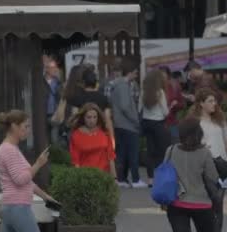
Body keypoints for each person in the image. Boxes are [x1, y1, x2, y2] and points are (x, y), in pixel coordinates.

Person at [166, 117, 220, 232]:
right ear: (199, 133)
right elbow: (212, 177)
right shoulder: (204, 153)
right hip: (202, 204)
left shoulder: (171, 150)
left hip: (176, 203)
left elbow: (165, 173)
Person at [191, 87, 227, 232]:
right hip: (203, 167)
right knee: (204, 206)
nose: (214, 104)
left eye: (215, 101)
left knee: (218, 205)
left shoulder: (220, 120)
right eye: (210, 101)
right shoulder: (195, 122)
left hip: (221, 166)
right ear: (201, 103)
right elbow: (190, 144)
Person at [109, 58, 147, 189]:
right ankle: (135, 179)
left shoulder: (116, 85)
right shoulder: (123, 86)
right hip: (128, 125)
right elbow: (125, 107)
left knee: (122, 154)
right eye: (135, 72)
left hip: (119, 124)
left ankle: (122, 179)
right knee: (132, 153)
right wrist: (135, 120)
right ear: (130, 72)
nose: (136, 74)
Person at [69, 68, 114, 147]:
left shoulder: (77, 98)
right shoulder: (103, 98)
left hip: (82, 136)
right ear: (96, 83)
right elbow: (108, 120)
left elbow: (74, 119)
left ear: (83, 83)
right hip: (99, 135)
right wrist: (112, 139)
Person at [140, 70, 170, 187]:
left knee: (150, 151)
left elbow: (139, 109)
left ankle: (150, 179)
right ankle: (160, 177)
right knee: (161, 152)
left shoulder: (144, 92)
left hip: (146, 123)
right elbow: (165, 112)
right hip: (158, 123)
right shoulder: (160, 92)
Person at [68, 103, 116, 178]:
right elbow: (75, 161)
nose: (92, 120)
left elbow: (111, 157)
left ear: (98, 117)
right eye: (89, 117)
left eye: (94, 117)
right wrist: (78, 179)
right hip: (85, 177)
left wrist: (114, 178)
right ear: (83, 118)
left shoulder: (104, 133)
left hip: (104, 176)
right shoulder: (76, 135)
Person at [163, 68, 185, 144]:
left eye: (164, 75)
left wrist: (176, 105)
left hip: (172, 123)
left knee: (175, 146)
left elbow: (182, 104)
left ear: (168, 76)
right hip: (159, 124)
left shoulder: (175, 87)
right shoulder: (156, 88)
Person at [44, 56, 61, 144]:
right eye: (52, 67)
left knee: (54, 138)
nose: (54, 69)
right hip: (43, 113)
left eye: (55, 67)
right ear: (47, 69)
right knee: (44, 138)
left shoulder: (58, 82)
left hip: (54, 112)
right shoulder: (41, 81)